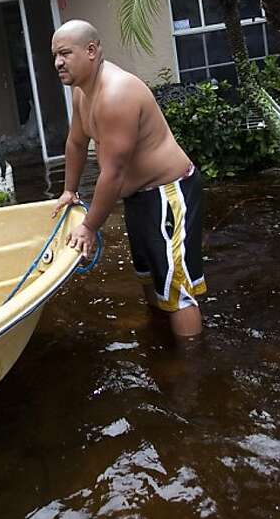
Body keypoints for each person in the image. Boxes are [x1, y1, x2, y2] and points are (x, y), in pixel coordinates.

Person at [50, 19, 206, 338]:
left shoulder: (116, 94)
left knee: (176, 289)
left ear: (91, 51)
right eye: (54, 55)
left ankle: (190, 374)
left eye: (65, 53)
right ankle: (161, 342)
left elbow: (113, 173)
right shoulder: (83, 93)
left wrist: (90, 227)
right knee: (148, 276)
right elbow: (76, 143)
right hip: (138, 197)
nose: (57, 62)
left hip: (168, 192)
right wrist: (69, 190)